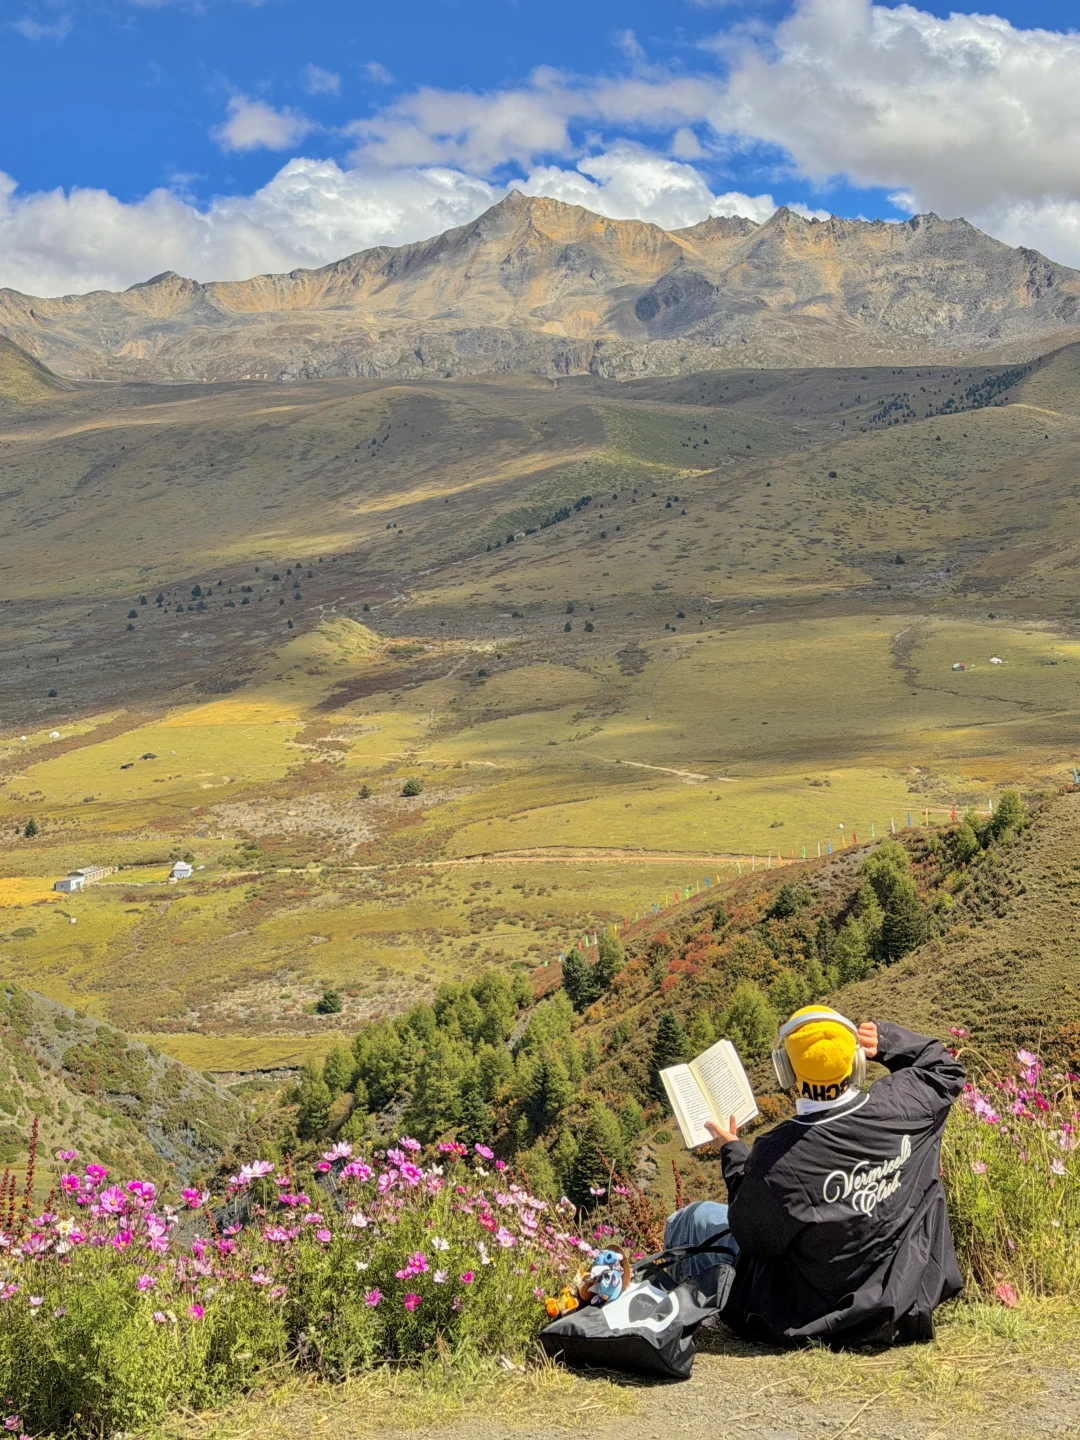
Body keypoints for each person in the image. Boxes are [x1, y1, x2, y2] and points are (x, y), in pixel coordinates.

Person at [662, 1007, 965, 1347]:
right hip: (907, 1297)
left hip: (819, 1317)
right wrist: (887, 1040)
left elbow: (753, 1236)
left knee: (691, 1220)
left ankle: (671, 1324)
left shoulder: (779, 1155)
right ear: (856, 1062)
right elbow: (946, 1069)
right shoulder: (907, 1105)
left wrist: (733, 1152)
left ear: (786, 1071)